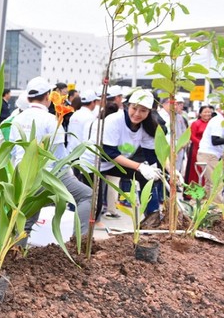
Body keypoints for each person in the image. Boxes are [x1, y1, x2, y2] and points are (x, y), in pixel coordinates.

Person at [9, 77, 92, 242]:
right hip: (47, 175)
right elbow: (59, 157)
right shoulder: (50, 120)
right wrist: (70, 175)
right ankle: (79, 243)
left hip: (22, 176)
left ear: (28, 97)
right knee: (87, 195)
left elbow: (12, 150)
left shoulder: (17, 119)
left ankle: (15, 254)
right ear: (48, 96)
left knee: (26, 219)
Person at [80, 89, 164, 222]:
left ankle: (152, 218)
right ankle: (84, 232)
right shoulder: (114, 120)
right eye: (134, 108)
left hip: (113, 164)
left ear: (149, 112)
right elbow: (109, 153)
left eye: (143, 111)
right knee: (95, 206)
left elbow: (151, 155)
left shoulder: (146, 127)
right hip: (94, 162)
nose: (137, 114)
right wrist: (139, 166)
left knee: (148, 178)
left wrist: (166, 171)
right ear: (127, 106)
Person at [197, 108, 224, 203]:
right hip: (209, 155)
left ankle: (198, 204)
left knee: (209, 184)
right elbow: (215, 140)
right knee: (216, 183)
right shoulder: (218, 121)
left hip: (211, 155)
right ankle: (217, 209)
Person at [185, 105, 213, 186]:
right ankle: (192, 192)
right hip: (197, 149)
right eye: (205, 112)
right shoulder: (195, 123)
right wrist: (201, 143)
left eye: (209, 112)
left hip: (209, 149)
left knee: (207, 170)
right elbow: (192, 136)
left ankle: (205, 192)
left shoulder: (211, 124)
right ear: (200, 114)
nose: (207, 114)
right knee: (195, 170)